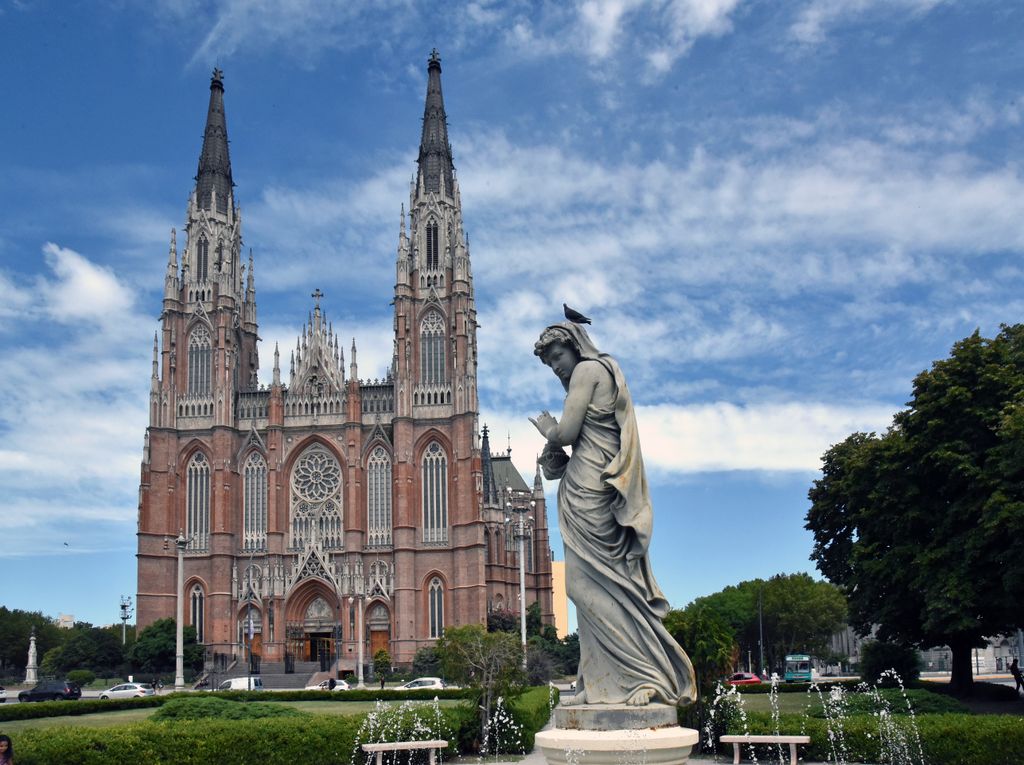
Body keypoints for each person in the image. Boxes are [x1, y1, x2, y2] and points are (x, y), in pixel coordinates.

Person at [530, 321, 695, 707]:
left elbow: (568, 431)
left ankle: (642, 676)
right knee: (592, 586)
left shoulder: (589, 370)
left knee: (597, 586)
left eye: (557, 357)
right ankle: (598, 681)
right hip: (584, 483)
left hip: (593, 490)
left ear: (574, 346)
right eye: (549, 362)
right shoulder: (592, 374)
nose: (555, 366)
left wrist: (549, 429)